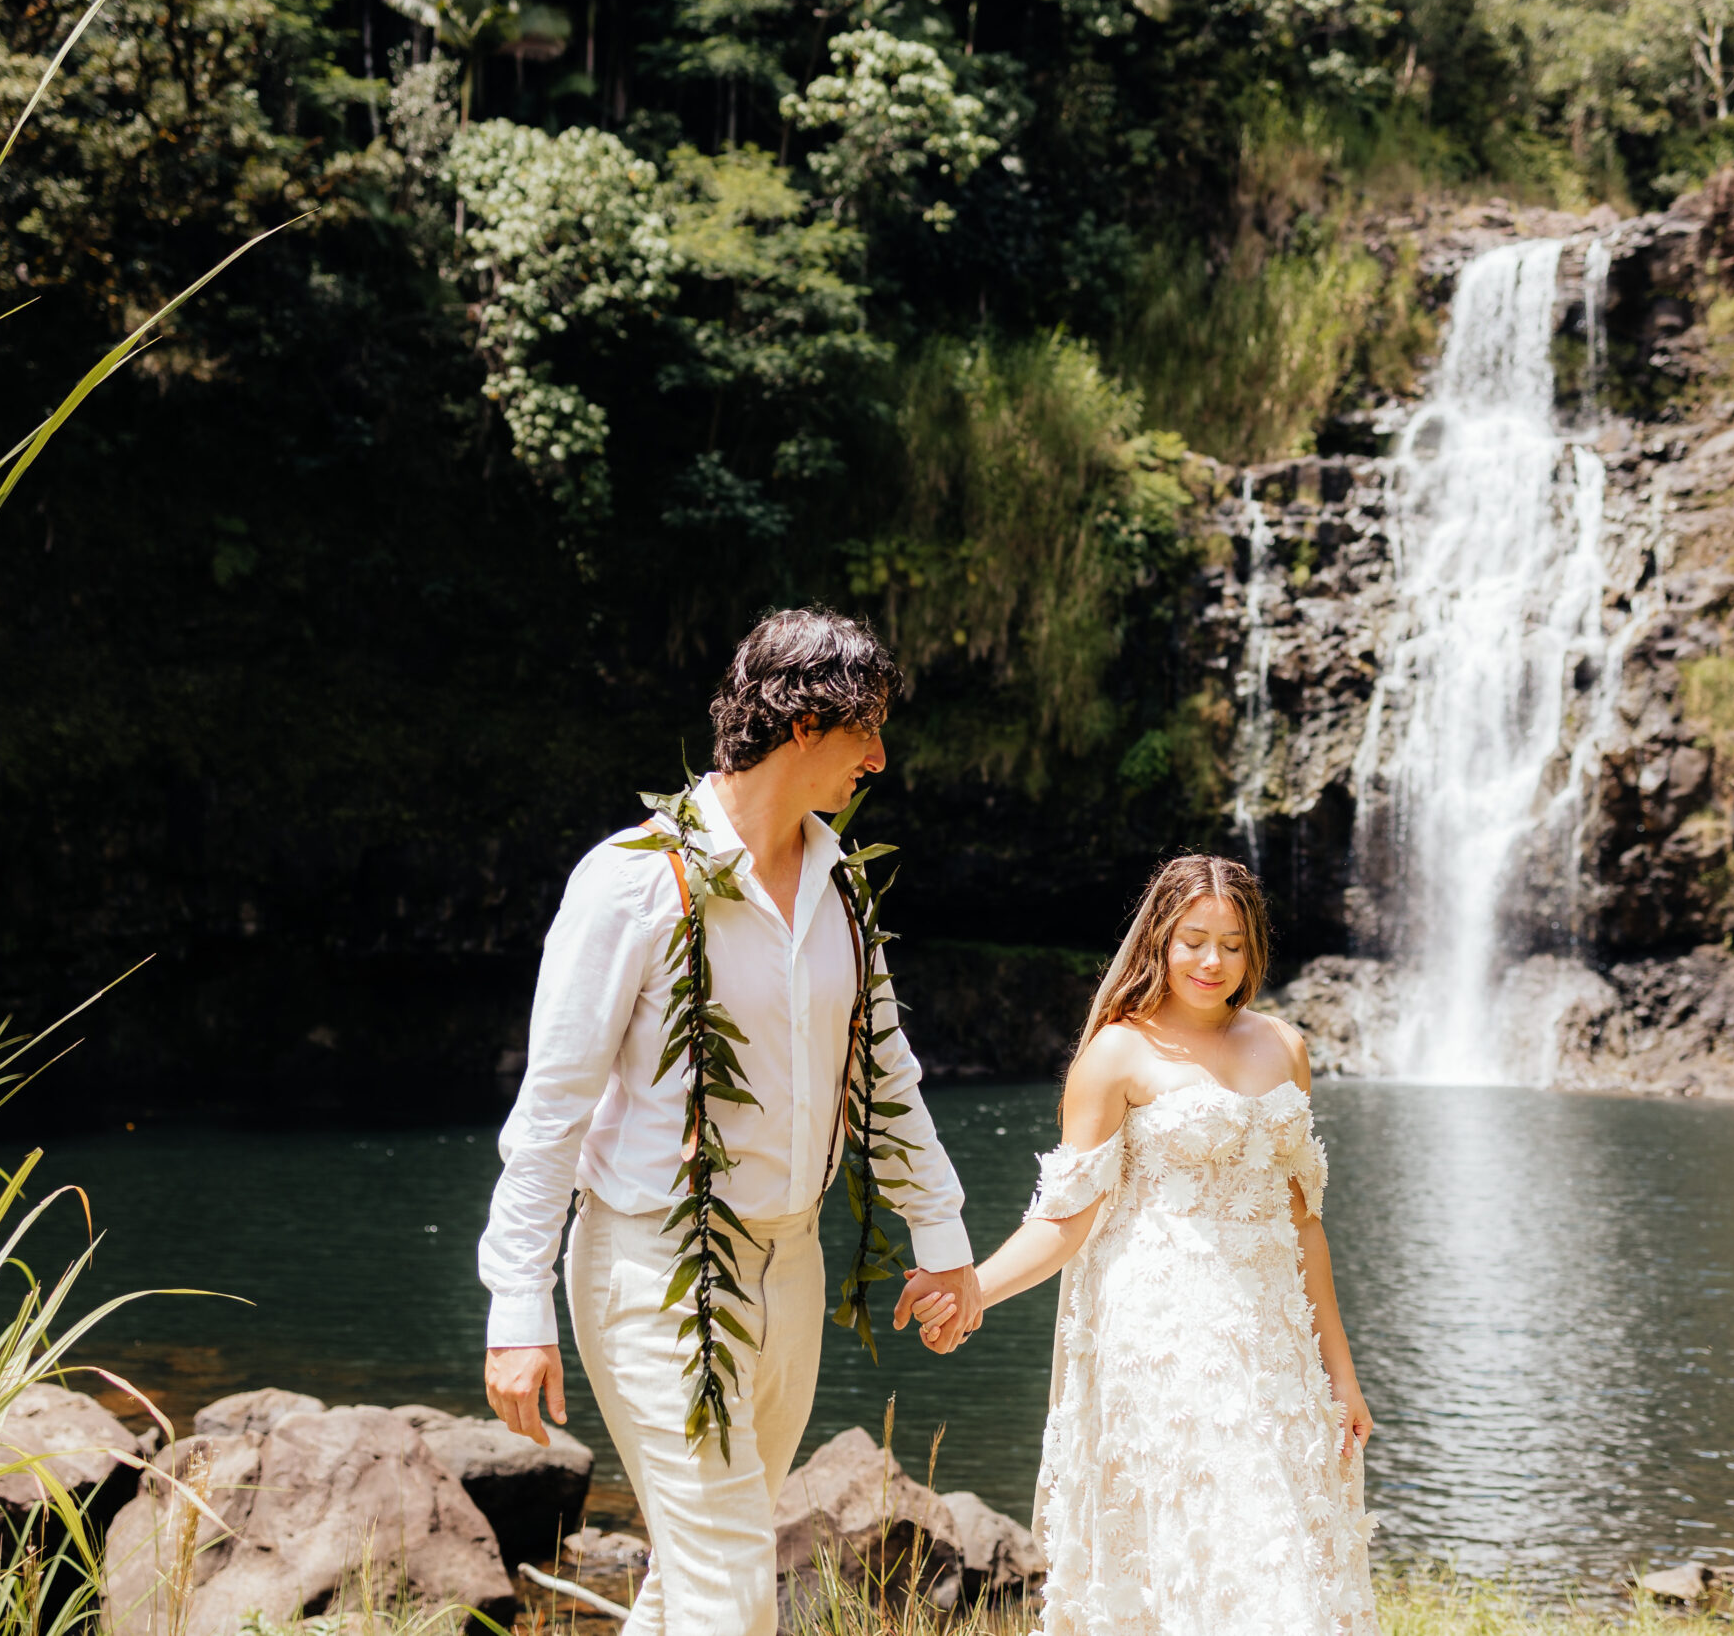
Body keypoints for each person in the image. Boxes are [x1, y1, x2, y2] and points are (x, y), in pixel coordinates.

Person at [478, 607, 983, 1636]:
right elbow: (551, 1115)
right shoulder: (632, 881)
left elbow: (882, 1074)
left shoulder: (842, 887)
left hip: (788, 1267)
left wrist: (942, 1240)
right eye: (866, 730)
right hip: (655, 1268)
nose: (879, 758)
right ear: (804, 724)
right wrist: (515, 1308)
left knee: (700, 1566)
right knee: (730, 1590)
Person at [901, 855, 1378, 1635]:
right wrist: (974, 1286)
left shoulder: (1286, 1047)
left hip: (1273, 1340)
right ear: (1159, 938)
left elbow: (1304, 1222)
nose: (1211, 960)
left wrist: (1342, 1375)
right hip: (1166, 1339)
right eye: (1193, 939)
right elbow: (1066, 1218)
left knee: (1287, 1548)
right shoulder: (1117, 1054)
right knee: (1210, 1550)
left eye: (1231, 942)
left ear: (1253, 948)